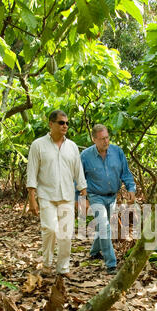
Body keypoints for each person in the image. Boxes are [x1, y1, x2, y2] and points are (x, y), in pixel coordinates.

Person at [26, 110, 87, 278]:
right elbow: (32, 172)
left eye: (67, 123)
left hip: (67, 195)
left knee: (66, 234)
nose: (65, 126)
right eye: (61, 123)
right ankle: (46, 264)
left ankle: (63, 268)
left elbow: (78, 171)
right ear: (51, 124)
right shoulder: (38, 145)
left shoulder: (72, 146)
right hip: (46, 195)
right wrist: (32, 198)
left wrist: (83, 192)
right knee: (50, 229)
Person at [80, 124, 136, 275]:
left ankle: (94, 252)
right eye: (102, 139)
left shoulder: (117, 152)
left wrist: (131, 188)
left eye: (107, 138)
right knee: (104, 225)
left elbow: (126, 173)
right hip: (95, 196)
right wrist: (81, 199)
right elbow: (78, 179)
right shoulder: (85, 156)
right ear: (94, 139)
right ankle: (111, 264)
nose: (106, 141)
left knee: (102, 226)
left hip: (112, 196)